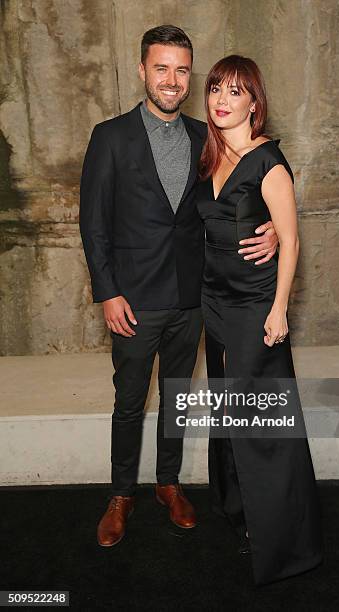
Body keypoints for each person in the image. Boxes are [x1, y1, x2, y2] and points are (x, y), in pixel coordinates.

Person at [79, 25, 278, 547]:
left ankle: (168, 484)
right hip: (133, 300)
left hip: (193, 298)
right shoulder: (110, 136)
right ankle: (121, 493)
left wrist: (274, 225)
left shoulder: (204, 136)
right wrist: (108, 291)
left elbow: (241, 195)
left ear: (191, 76)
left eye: (182, 69)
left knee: (176, 397)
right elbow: (93, 223)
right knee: (128, 400)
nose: (172, 79)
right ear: (143, 70)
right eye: (161, 67)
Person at [196, 55, 323, 585]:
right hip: (215, 302)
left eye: (235, 91)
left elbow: (290, 240)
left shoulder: (268, 163)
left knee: (263, 423)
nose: (222, 99)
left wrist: (278, 309)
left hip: (254, 307)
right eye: (215, 89)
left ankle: (288, 545)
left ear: (255, 101)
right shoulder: (212, 156)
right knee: (230, 414)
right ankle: (241, 513)